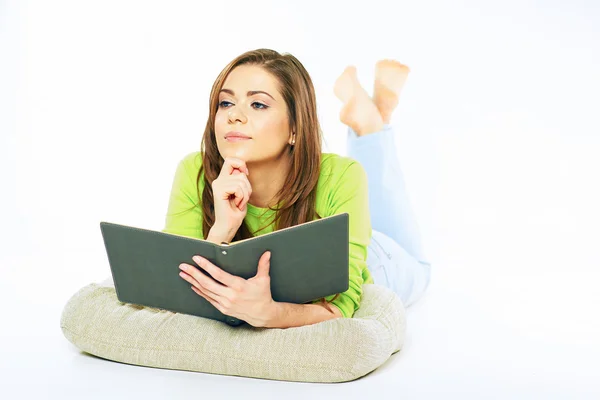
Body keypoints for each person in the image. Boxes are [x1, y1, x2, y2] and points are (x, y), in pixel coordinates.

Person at [163, 49, 430, 330]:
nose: (234, 116)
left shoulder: (343, 175)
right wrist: (221, 230)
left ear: (294, 128)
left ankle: (372, 126)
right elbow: (178, 292)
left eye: (258, 105)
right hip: (346, 227)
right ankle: (372, 118)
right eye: (226, 102)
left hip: (376, 258)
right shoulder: (195, 171)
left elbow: (341, 308)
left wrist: (270, 315)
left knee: (420, 267)